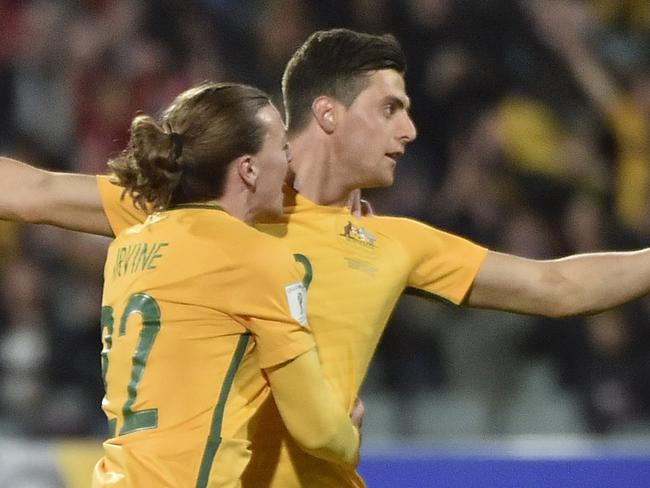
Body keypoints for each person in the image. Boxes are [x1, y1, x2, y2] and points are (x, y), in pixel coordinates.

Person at [2, 28, 650, 487]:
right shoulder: (201, 205)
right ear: (329, 114)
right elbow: (31, 191)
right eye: (391, 108)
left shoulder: (396, 246)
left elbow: (557, 286)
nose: (410, 131)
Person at [86, 81, 360, 487]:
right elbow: (316, 429)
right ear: (248, 168)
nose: (290, 161)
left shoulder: (127, 247)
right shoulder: (255, 257)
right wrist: (349, 434)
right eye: (282, 146)